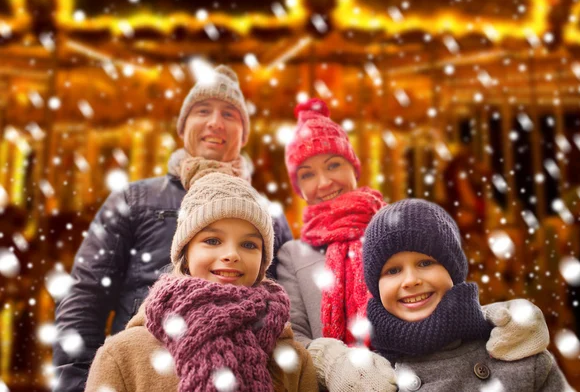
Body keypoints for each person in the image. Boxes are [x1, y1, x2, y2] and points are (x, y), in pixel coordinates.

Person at [276, 97, 551, 391]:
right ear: (298, 186)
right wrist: (334, 363)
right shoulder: (293, 255)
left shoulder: (396, 226)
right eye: (308, 174)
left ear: (353, 167)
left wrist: (502, 320)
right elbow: (297, 338)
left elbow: (445, 297)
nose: (324, 182)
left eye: (333, 165)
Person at [53, 65, 293, 391]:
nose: (214, 122)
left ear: (244, 134)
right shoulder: (135, 199)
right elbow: (86, 294)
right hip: (147, 373)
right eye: (202, 110)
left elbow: (285, 304)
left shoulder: (269, 215)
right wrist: (79, 383)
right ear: (182, 128)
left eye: (229, 114)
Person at [84, 170, 318, 392]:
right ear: (186, 253)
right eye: (213, 241)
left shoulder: (293, 359)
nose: (232, 254)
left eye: (249, 244)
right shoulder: (123, 355)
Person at [361, 199, 572, 391]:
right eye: (393, 271)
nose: (410, 280)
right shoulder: (368, 378)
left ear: (453, 271)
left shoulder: (516, 354)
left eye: (425, 263)